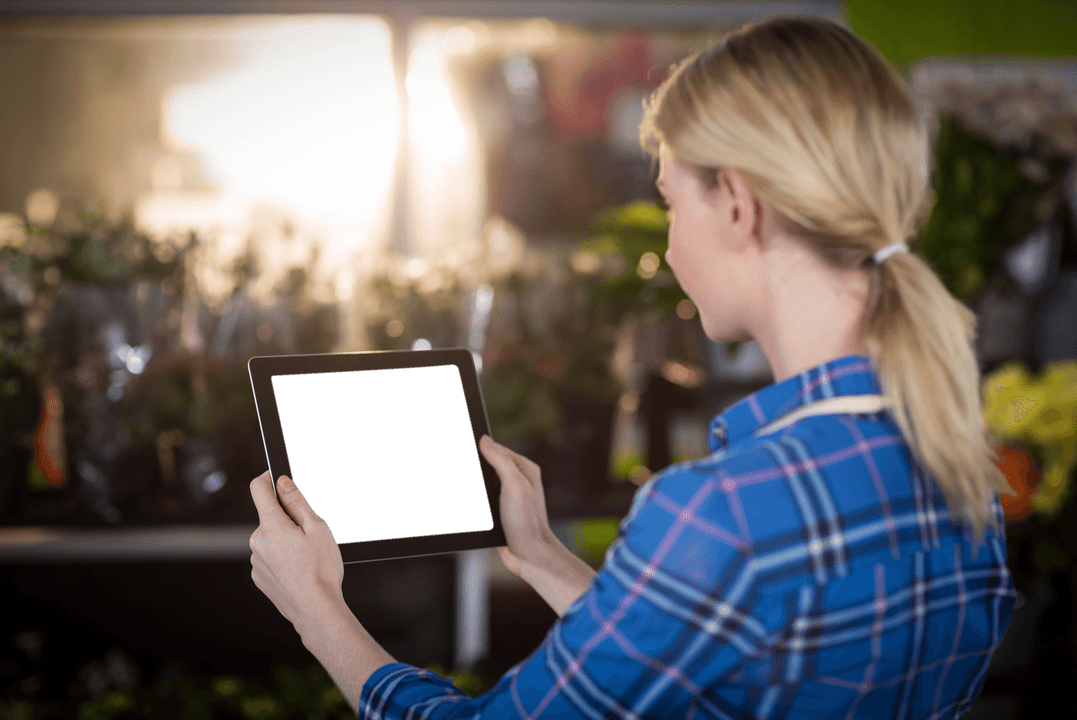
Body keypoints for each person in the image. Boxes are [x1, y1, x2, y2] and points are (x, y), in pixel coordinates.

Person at [248, 15, 1017, 719]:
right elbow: (720, 669)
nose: (671, 246)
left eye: (672, 204)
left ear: (739, 205)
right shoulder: (960, 467)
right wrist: (546, 558)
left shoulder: (724, 513)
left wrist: (316, 608)